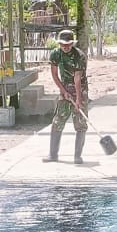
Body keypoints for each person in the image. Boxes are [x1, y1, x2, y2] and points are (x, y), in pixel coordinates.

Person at [44, 29, 88, 164]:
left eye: (68, 44)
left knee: (80, 123)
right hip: (64, 87)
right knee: (57, 121)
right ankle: (53, 155)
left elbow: (77, 78)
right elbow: (54, 74)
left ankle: (77, 156)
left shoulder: (79, 56)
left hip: (80, 88)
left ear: (72, 43)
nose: (65, 47)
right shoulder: (55, 54)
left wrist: (78, 99)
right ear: (59, 43)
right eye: (63, 44)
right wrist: (63, 91)